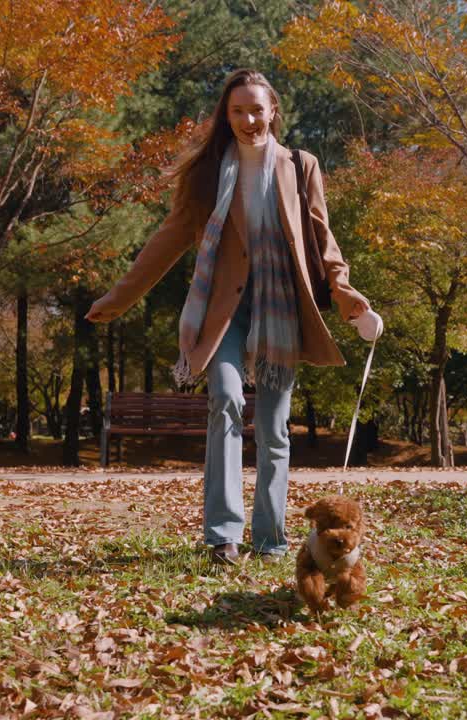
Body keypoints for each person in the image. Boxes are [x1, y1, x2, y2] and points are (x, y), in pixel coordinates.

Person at [86, 68, 383, 566]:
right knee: (223, 400)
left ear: (273, 112)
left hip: (281, 308)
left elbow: (323, 240)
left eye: (257, 109)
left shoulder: (299, 165)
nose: (249, 119)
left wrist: (352, 301)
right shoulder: (208, 173)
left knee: (273, 427)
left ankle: (270, 541)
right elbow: (168, 239)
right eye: (238, 111)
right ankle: (223, 536)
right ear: (226, 117)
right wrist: (119, 297)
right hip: (223, 311)